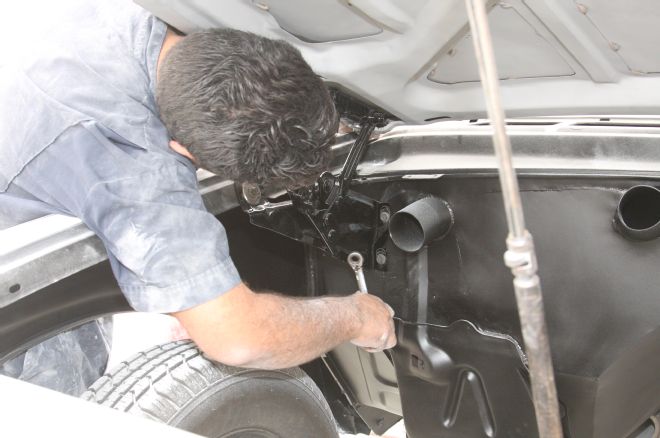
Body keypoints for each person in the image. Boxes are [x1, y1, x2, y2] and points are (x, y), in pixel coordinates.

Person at [0, 0, 396, 394]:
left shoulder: (141, 14)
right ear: (182, 150)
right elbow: (239, 339)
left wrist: (188, 294)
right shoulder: (137, 168)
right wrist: (355, 317)